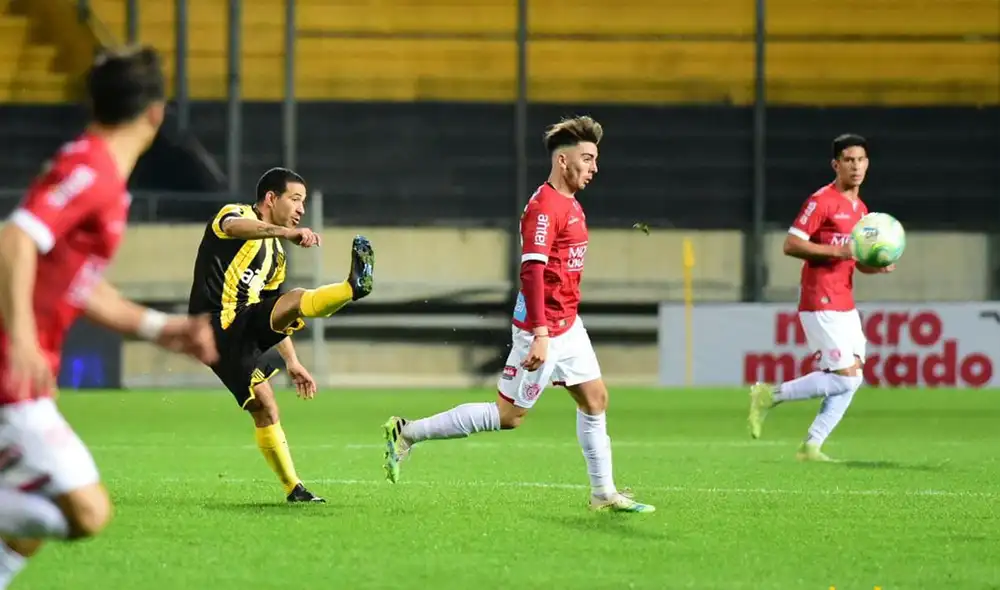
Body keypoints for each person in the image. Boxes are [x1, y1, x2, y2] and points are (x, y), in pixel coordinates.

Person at [0, 46, 219, 590]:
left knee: (39, 507)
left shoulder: (97, 171)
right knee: (88, 512)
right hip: (12, 371)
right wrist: (23, 339)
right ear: (156, 113)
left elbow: (79, 284)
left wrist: (160, 328)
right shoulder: (93, 170)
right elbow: (15, 238)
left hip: (23, 372)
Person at [381, 116, 654, 513]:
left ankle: (603, 494)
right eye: (587, 159)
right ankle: (407, 433)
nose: (594, 168)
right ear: (563, 161)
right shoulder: (545, 208)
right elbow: (532, 270)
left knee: (595, 400)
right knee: (509, 416)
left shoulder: (571, 204)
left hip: (567, 324)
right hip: (543, 330)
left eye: (595, 159)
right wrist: (541, 333)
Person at [188, 166, 375, 503]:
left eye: (303, 201)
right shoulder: (236, 214)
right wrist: (284, 232)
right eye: (295, 199)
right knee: (294, 301)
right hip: (213, 326)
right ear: (271, 198)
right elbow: (234, 227)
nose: (301, 209)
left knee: (266, 407)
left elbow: (275, 311)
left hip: (242, 324)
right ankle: (350, 288)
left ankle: (294, 489)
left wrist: (293, 361)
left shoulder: (276, 257)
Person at [747, 133, 895, 461]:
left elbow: (854, 260)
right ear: (836, 164)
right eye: (848, 160)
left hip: (845, 302)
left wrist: (877, 266)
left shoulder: (861, 210)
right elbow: (791, 244)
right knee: (845, 378)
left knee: (852, 381)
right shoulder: (822, 201)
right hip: (820, 299)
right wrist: (837, 249)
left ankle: (812, 445)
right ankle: (770, 395)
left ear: (868, 164)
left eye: (860, 160)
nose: (855, 166)